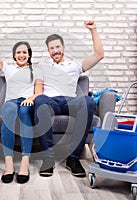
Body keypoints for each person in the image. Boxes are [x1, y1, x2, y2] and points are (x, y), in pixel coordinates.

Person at [34, 20, 104, 178]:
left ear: (63, 47)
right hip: (49, 101)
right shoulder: (42, 65)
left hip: (69, 101)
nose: (55, 51)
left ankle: (73, 159)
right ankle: (48, 158)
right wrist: (38, 97)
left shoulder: (75, 65)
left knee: (88, 101)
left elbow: (99, 55)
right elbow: (38, 89)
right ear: (48, 51)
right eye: (52, 48)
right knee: (40, 101)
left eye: (57, 47)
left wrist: (93, 30)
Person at [0, 17, 43, 184]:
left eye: (25, 52)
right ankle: (9, 164)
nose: (22, 55)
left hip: (27, 101)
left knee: (25, 112)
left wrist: (31, 98)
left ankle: (24, 163)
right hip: (11, 101)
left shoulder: (36, 70)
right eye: (18, 52)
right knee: (9, 110)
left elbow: (39, 91)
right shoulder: (8, 69)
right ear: (14, 56)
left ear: (29, 55)